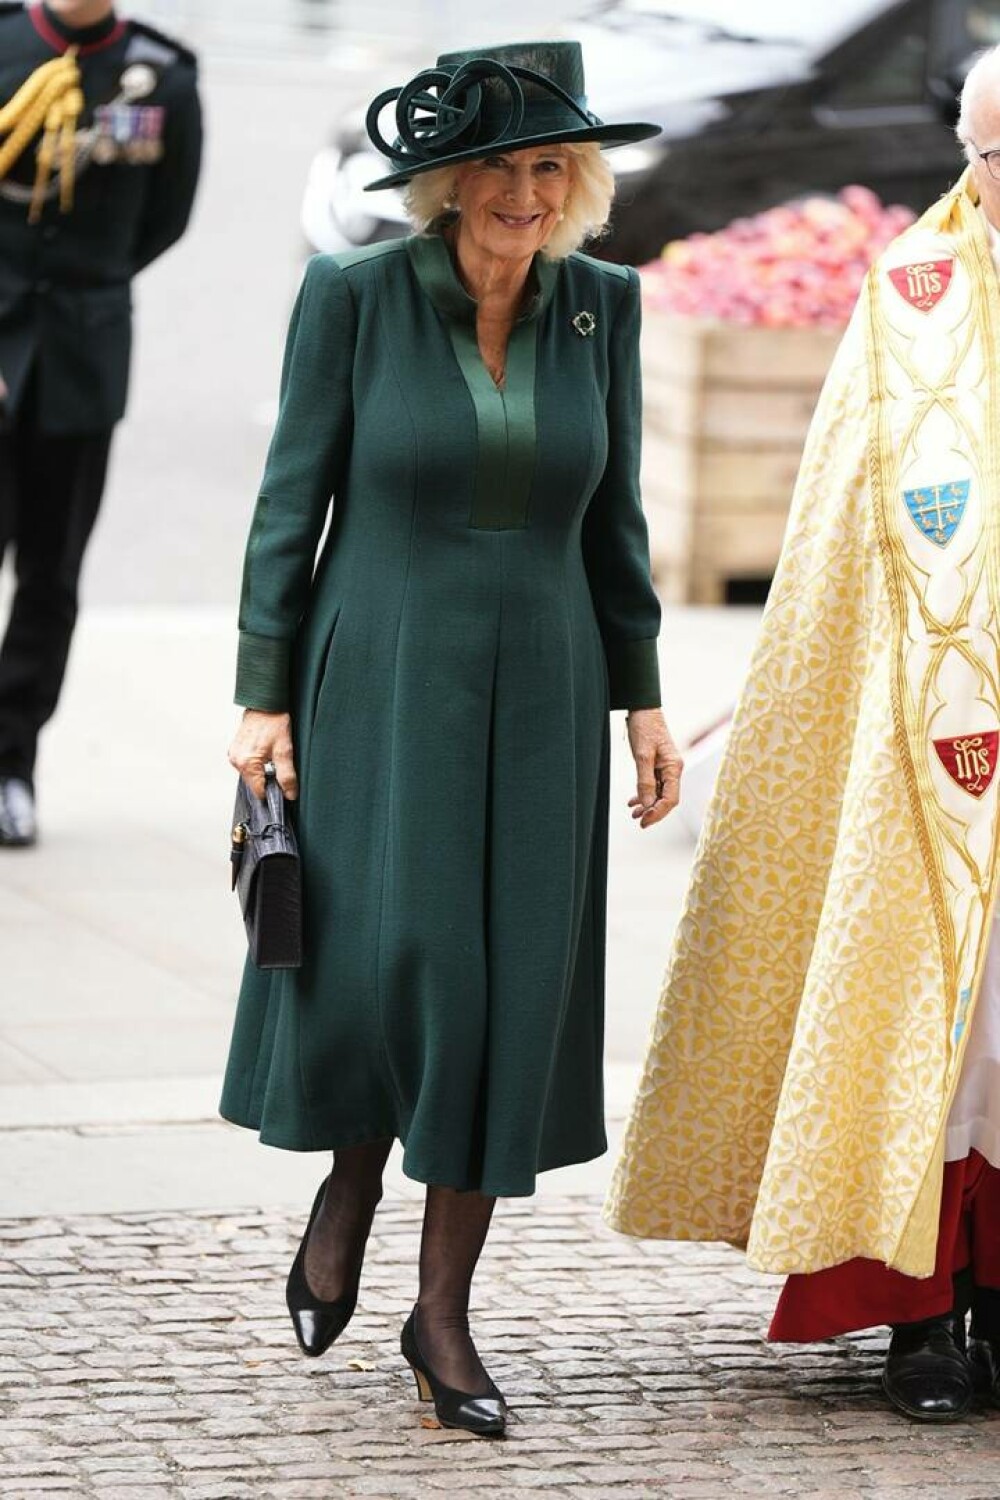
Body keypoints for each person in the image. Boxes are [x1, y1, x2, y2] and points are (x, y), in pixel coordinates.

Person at [222, 40, 682, 1437]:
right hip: (385, 672)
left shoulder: (603, 307)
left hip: (544, 686)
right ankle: (350, 1187)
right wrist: (263, 695)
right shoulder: (354, 297)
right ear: (445, 183)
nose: (526, 194)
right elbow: (287, 505)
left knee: (506, 985)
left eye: (553, 167)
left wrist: (644, 694)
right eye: (499, 167)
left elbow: (615, 523)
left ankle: (445, 1315)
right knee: (400, 958)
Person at [606, 43, 1000, 1425]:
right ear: (973, 159)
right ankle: (926, 1315)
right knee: (933, 1041)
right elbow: (844, 535)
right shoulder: (914, 305)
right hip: (932, 743)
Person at [0, 0, 201, 846]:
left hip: (80, 362)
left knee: (52, 576)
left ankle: (10, 763)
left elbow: (164, 218)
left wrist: (86, 287)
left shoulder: (166, 75)